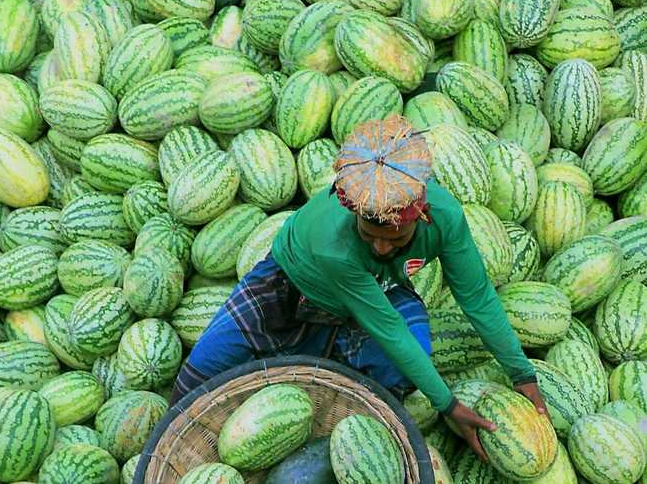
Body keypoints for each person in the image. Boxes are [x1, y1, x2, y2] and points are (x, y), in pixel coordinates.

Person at [171, 115, 546, 460]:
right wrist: (448, 405)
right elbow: (387, 327)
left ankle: (337, 407)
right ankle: (313, 369)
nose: (382, 248)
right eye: (370, 236)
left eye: (396, 239)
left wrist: (521, 373)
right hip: (290, 288)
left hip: (376, 291)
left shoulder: (445, 219)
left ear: (422, 214)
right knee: (195, 384)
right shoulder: (332, 243)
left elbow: (477, 298)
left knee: (406, 362)